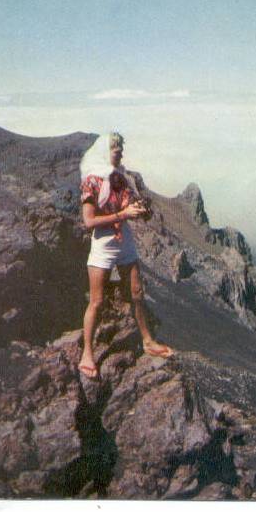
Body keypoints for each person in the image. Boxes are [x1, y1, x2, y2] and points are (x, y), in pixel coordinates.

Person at [77, 131, 174, 379]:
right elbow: (89, 221)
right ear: (103, 152)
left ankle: (148, 340)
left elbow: (133, 208)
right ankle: (87, 353)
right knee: (96, 301)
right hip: (104, 245)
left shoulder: (120, 178)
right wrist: (123, 215)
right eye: (115, 148)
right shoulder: (92, 181)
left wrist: (141, 210)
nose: (120, 152)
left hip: (124, 242)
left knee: (137, 293)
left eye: (120, 148)